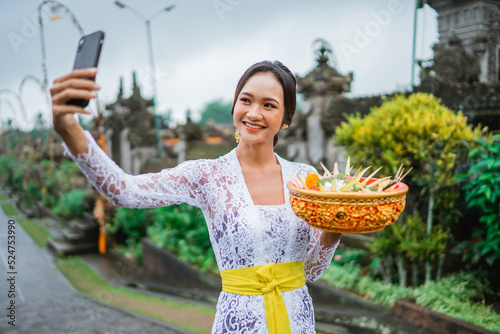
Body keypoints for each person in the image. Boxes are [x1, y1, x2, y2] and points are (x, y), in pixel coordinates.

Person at [51, 60, 341, 334]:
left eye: (269, 105)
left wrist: (332, 232)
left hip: (298, 321)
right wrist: (68, 127)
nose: (254, 113)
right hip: (238, 323)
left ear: (285, 118)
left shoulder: (305, 179)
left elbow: (309, 271)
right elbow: (124, 191)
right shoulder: (207, 176)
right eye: (246, 100)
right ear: (234, 105)